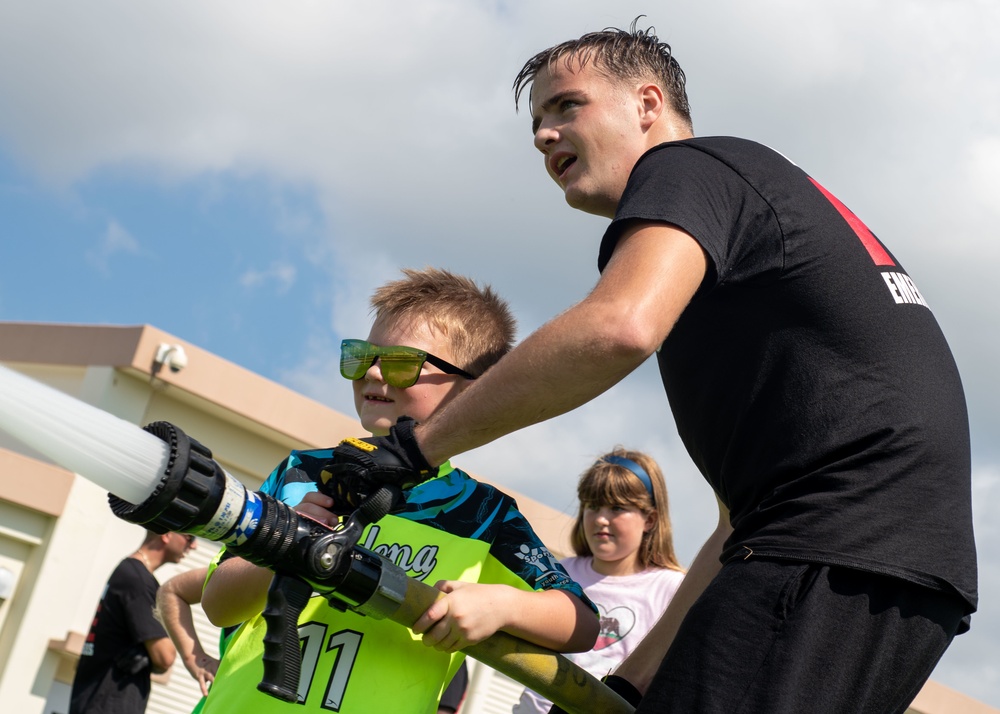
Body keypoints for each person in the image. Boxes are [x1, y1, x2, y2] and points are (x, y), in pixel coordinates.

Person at [329, 20, 978, 714]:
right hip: (879, 560)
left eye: (567, 106)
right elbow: (736, 525)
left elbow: (617, 327)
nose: (545, 135)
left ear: (648, 105)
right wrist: (634, 682)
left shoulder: (686, 169)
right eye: (537, 124)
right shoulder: (733, 240)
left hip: (838, 543)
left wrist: (415, 449)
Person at [199, 267, 599, 713]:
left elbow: (581, 623)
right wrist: (289, 542)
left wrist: (503, 606)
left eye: (402, 362)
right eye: (361, 355)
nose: (372, 373)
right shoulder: (302, 472)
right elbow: (218, 604)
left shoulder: (482, 513)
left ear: (479, 390)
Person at [514, 448, 684, 714]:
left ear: (649, 519)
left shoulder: (672, 590)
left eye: (617, 507)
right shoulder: (557, 572)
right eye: (592, 506)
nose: (601, 519)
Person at [69, 530, 196, 714]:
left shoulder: (128, 571)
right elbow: (165, 657)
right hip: (109, 703)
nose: (194, 545)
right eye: (189, 537)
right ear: (166, 534)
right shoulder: (138, 581)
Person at [155, 566, 225, 714]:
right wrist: (194, 657)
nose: (193, 546)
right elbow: (171, 591)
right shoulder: (264, 564)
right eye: (189, 540)